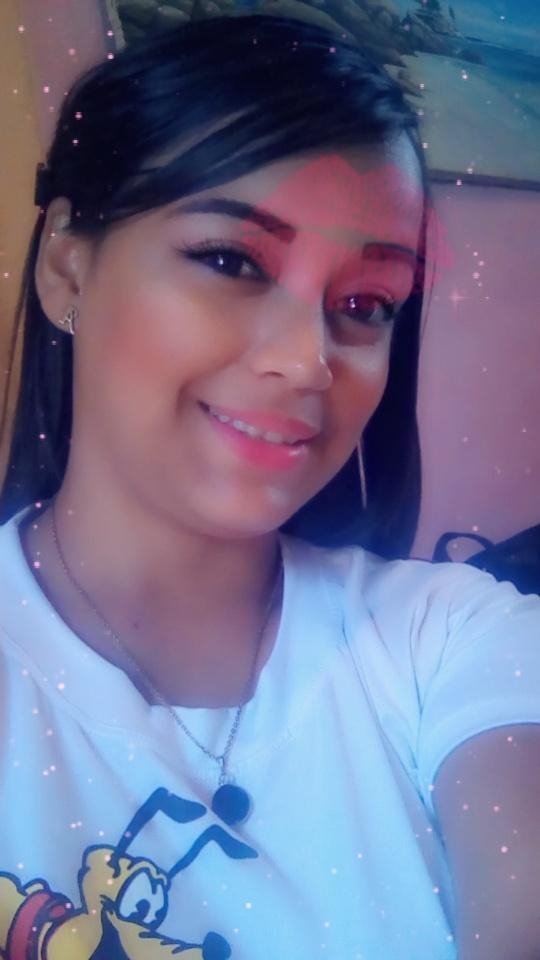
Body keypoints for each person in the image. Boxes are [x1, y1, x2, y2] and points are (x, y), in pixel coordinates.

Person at [0, 14, 538, 960]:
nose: (308, 361)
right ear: (65, 269)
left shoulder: (452, 637)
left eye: (365, 304)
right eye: (231, 261)